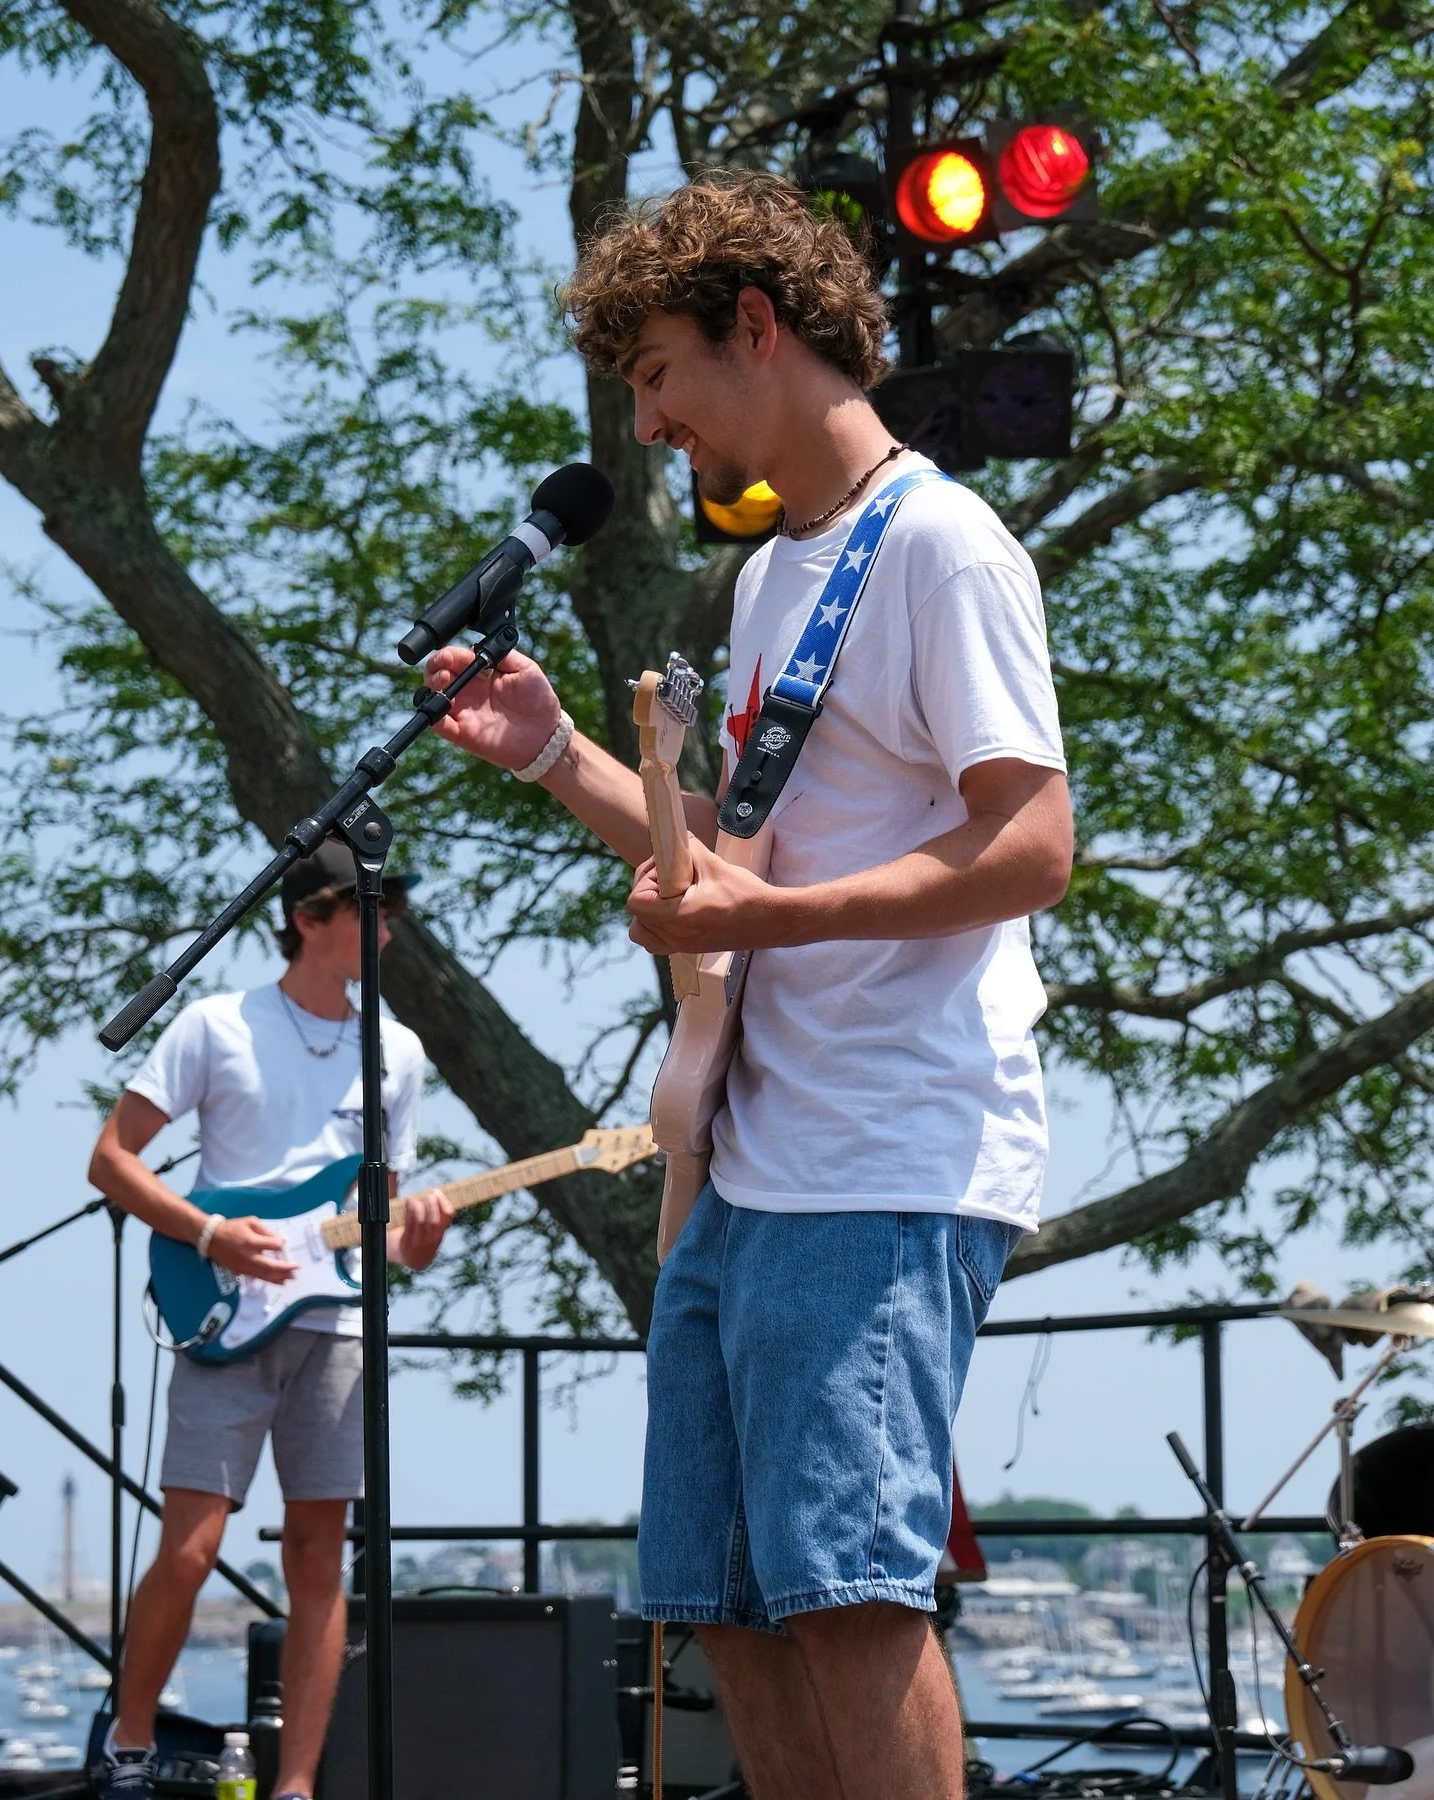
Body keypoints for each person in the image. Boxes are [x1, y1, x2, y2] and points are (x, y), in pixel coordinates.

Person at [427, 170, 1073, 1800]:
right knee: (728, 1608)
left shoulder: (943, 545)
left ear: (758, 328)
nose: (647, 421)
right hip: (748, 1155)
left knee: (848, 1598)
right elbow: (738, 858)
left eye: (654, 372)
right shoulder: (781, 571)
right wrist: (560, 752)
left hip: (887, 1145)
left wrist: (767, 926)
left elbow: (1033, 842)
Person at [86, 841, 452, 1800]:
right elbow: (111, 1160)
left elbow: (388, 1233)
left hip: (336, 1322)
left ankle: (296, 1785)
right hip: (222, 1315)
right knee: (192, 1547)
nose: (385, 928)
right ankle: (128, 1741)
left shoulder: (400, 1051)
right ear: (308, 917)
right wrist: (209, 1233)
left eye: (392, 911)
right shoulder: (216, 1024)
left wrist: (420, 1241)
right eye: (367, 909)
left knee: (319, 1559)